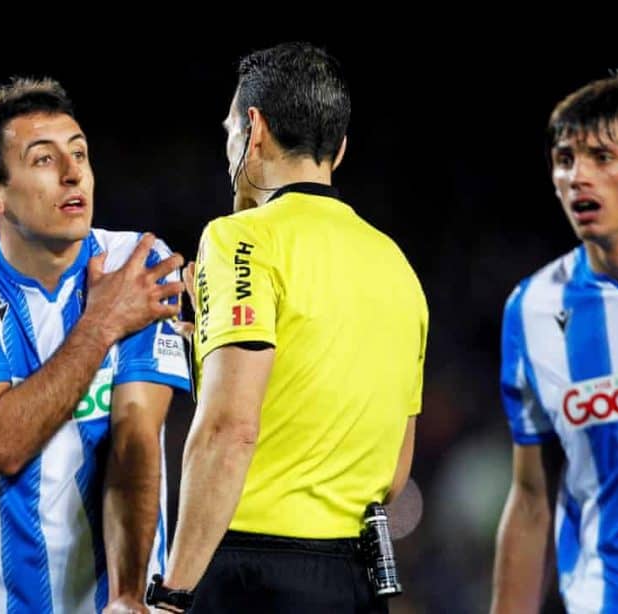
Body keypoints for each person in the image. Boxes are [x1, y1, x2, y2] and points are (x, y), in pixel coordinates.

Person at [152, 42, 427, 613]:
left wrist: (173, 593)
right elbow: (396, 472)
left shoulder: (239, 238)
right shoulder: (398, 265)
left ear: (253, 130)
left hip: (251, 577)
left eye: (230, 130)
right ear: (339, 149)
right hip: (356, 584)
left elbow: (229, 430)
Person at [0, 76, 189, 614]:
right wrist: (101, 323)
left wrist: (128, 597)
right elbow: (1, 443)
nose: (72, 172)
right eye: (43, 159)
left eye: (78, 153)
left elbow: (136, 435)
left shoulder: (138, 263)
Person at [492, 74, 618, 612]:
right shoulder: (532, 309)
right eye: (565, 160)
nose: (578, 176)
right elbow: (531, 498)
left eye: (602, 157)